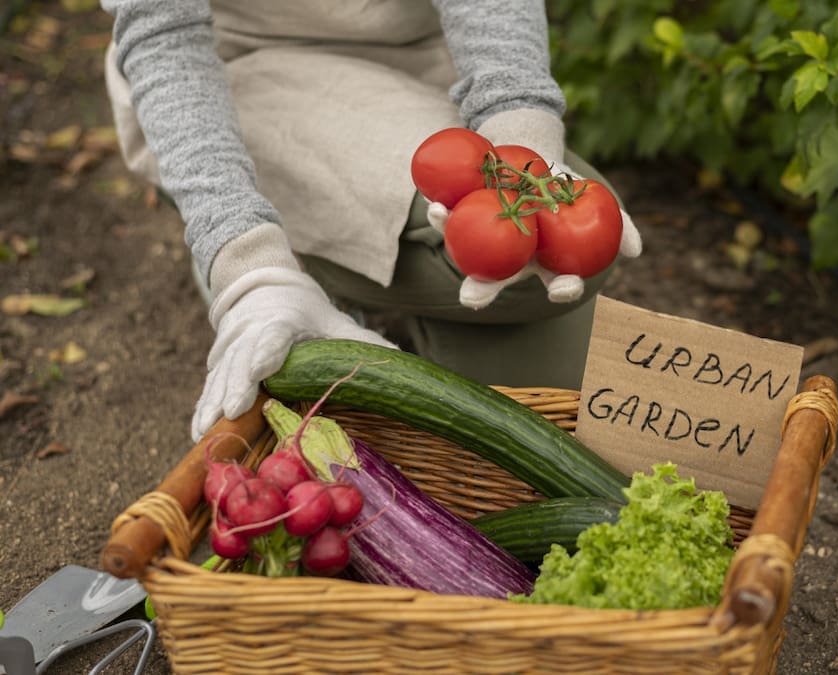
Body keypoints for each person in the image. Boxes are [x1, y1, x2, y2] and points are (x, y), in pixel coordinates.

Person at [99, 0, 643, 443]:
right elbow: (162, 36)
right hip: (238, 73)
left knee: (557, 332)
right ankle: (271, 248)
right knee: (512, 291)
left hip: (429, 59)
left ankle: (325, 255)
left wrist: (523, 136)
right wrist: (245, 265)